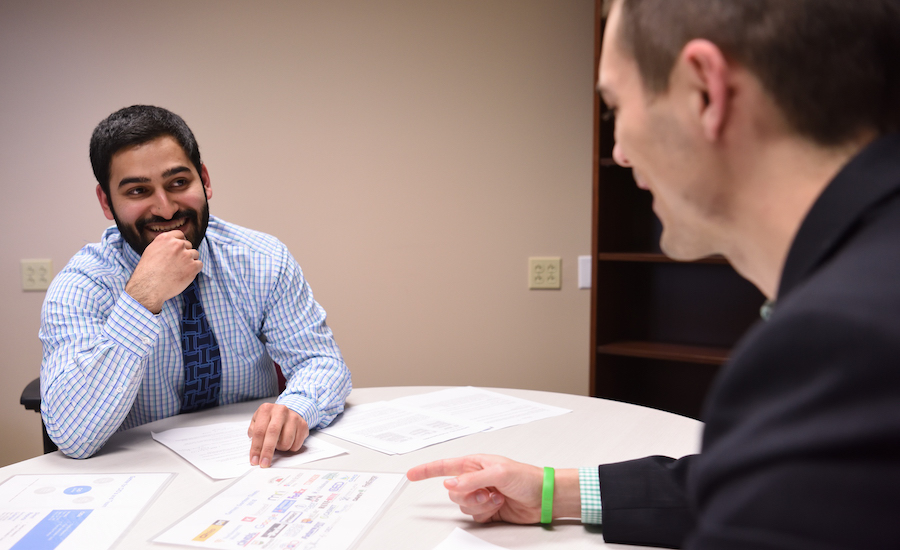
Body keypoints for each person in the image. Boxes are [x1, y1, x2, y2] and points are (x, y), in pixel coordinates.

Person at [408, 0, 900, 547]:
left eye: (615, 107)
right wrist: (551, 490)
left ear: (705, 92)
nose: (617, 152)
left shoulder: (842, 343)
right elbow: (791, 491)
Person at [40, 105, 351, 467]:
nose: (166, 209)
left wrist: (296, 407)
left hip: (254, 465)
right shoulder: (81, 287)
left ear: (204, 179)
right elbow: (72, 435)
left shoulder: (263, 258)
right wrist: (141, 300)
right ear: (106, 202)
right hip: (140, 475)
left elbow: (321, 362)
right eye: (138, 191)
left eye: (178, 183)